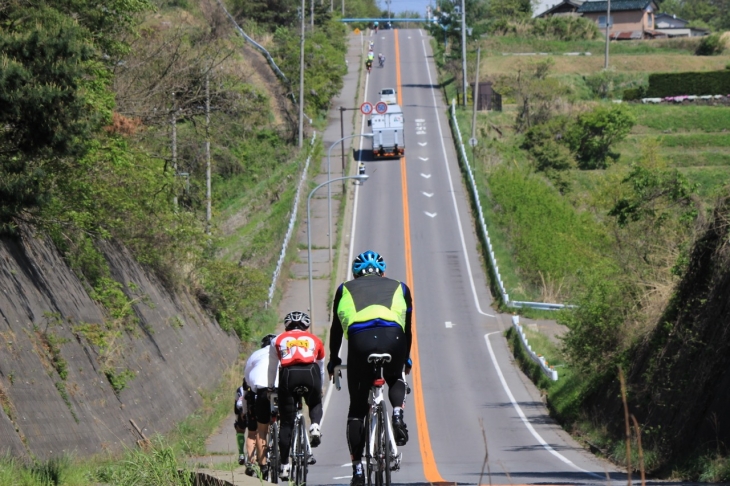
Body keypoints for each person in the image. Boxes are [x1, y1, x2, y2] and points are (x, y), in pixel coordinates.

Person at [327, 250, 413, 486]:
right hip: (393, 337)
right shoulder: (401, 287)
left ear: (355, 275)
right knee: (395, 376)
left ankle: (357, 472)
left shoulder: (344, 289)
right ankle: (397, 414)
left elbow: (336, 329)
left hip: (360, 340)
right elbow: (408, 329)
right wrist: (405, 359)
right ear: (383, 272)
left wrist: (333, 360)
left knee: (356, 409)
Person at [269, 311, 326, 481]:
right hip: (310, 372)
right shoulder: (315, 340)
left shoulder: (278, 340)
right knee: (315, 403)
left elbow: (273, 368)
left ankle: (285, 465)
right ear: (306, 326)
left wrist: (271, 388)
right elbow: (321, 367)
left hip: (288, 374)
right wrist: (319, 387)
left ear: (286, 326)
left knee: (286, 422)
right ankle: (315, 425)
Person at [239, 333, 278, 477]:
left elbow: (247, 378)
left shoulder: (256, 354)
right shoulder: (282, 350)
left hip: (261, 390)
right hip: (281, 389)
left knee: (261, 431)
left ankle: (263, 466)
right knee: (287, 421)